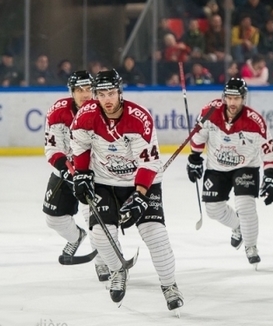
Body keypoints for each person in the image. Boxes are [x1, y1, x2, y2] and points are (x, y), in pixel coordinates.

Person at [69, 69, 183, 312]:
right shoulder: (85, 116)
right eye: (101, 94)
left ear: (120, 91)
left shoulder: (139, 118)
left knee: (155, 235)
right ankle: (117, 269)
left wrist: (140, 195)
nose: (107, 99)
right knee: (100, 235)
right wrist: (81, 174)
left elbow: (149, 162)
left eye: (111, 93)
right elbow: (80, 146)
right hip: (104, 181)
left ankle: (169, 285)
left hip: (140, 181)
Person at [186, 78, 273, 268]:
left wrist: (270, 176)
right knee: (213, 209)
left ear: (244, 98)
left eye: (237, 98)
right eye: (229, 97)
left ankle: (251, 246)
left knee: (245, 206)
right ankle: (238, 226)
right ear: (224, 97)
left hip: (246, 166)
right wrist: (194, 158)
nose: (232, 102)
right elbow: (198, 136)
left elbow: (269, 150)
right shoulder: (209, 112)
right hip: (216, 167)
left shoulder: (255, 121)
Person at [42, 70, 109, 282]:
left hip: (93, 173)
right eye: (80, 90)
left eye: (89, 89)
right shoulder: (58, 111)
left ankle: (103, 262)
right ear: (72, 92)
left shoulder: (105, 110)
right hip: (66, 170)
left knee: (95, 220)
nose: (85, 94)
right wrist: (65, 168)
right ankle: (76, 236)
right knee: (53, 219)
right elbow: (52, 148)